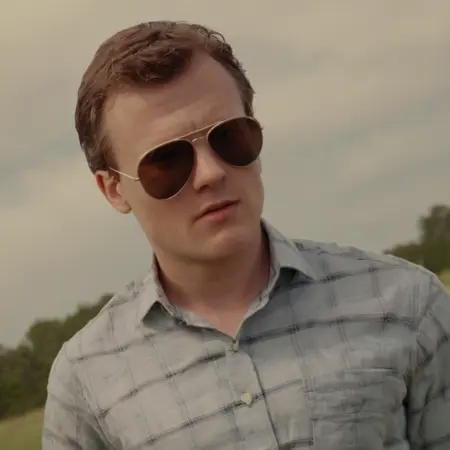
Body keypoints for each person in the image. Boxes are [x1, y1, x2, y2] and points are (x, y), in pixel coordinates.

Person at [42, 20, 450, 450]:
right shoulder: (85, 385)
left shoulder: (406, 305)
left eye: (229, 137)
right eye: (166, 162)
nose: (211, 173)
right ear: (113, 189)